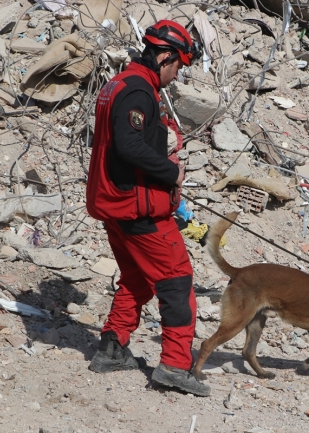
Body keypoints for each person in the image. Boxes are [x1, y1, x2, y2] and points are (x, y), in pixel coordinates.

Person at [85, 20, 209, 397]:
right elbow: (129, 145)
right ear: (166, 56)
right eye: (178, 67)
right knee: (176, 281)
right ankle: (174, 365)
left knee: (138, 279)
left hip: (114, 204)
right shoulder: (138, 90)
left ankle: (112, 348)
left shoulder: (118, 84)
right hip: (137, 209)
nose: (177, 75)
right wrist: (172, 171)